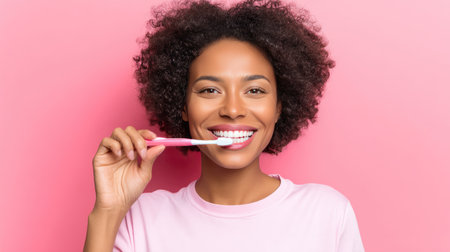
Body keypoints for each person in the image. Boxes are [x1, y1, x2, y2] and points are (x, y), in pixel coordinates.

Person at [83, 0, 365, 251]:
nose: (232, 110)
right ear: (183, 106)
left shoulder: (327, 214)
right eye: (209, 91)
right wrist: (108, 211)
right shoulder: (141, 219)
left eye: (254, 91)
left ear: (280, 107)